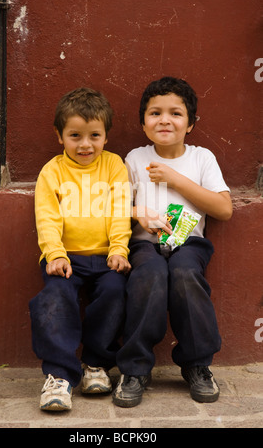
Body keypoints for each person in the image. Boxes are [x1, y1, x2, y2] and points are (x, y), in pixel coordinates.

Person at [112, 76, 233, 408]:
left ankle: (197, 365)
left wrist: (174, 178)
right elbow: (115, 204)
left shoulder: (201, 158)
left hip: (189, 244)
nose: (165, 120)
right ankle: (135, 369)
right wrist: (139, 213)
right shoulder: (135, 158)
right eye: (155, 113)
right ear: (143, 122)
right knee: (149, 276)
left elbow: (224, 209)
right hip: (144, 246)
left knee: (184, 275)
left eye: (176, 113)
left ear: (191, 123)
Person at [29, 87, 132, 411]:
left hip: (105, 256)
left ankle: (95, 364)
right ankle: (60, 376)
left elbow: (120, 210)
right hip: (65, 258)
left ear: (105, 135)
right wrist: (55, 253)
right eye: (75, 135)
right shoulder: (53, 171)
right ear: (60, 136)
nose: (85, 144)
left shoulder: (114, 165)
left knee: (116, 292)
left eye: (94, 135)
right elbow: (47, 216)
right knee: (53, 299)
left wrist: (119, 250)